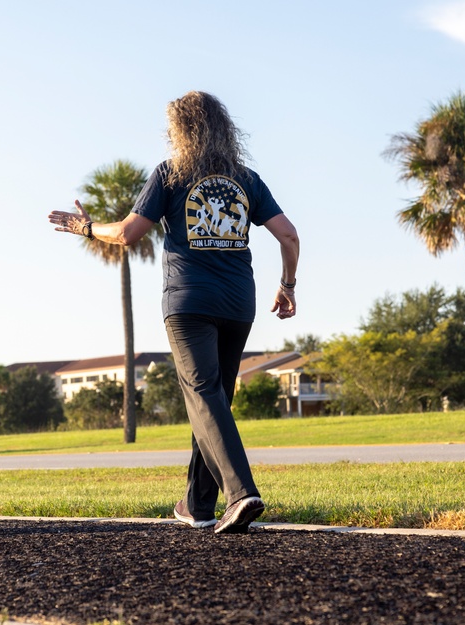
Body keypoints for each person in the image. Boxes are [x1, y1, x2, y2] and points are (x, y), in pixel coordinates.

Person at [49, 91, 300, 534]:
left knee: (204, 395)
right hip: (239, 303)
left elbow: (128, 233)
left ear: (180, 130)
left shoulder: (170, 174)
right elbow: (290, 236)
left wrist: (83, 227)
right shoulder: (247, 179)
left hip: (188, 302)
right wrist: (287, 286)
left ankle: (241, 493)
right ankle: (198, 504)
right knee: (214, 400)